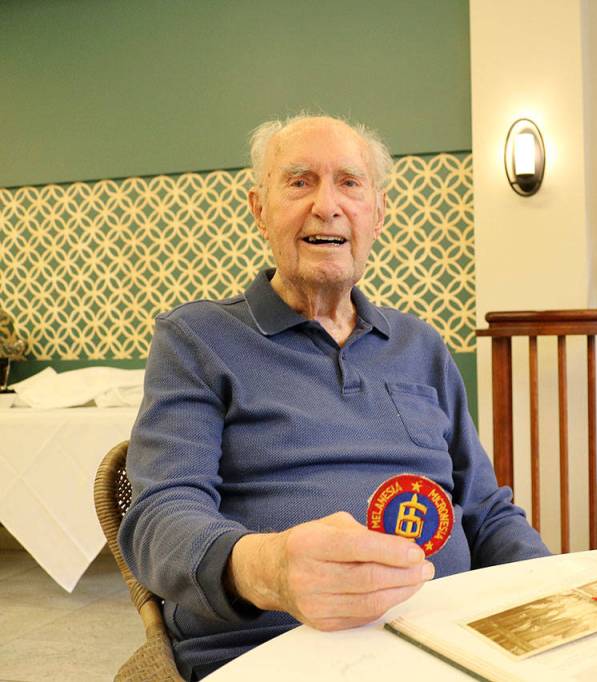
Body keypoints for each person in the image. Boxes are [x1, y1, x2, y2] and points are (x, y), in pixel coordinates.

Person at [119, 114, 550, 679]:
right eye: (299, 181)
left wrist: (550, 586)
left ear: (378, 211)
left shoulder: (421, 346)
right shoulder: (197, 339)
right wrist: (269, 569)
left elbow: (486, 512)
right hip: (271, 650)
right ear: (259, 209)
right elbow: (159, 519)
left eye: (349, 182)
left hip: (446, 642)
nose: (327, 205)